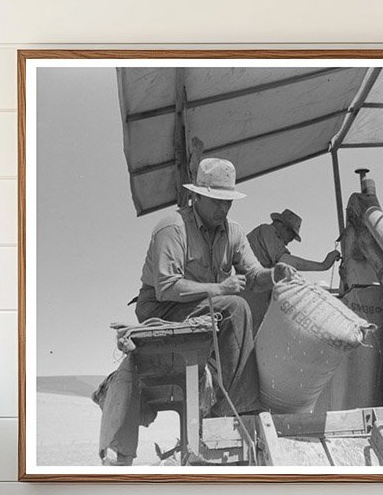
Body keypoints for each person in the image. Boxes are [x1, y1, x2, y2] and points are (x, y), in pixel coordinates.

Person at [135, 157, 289, 416]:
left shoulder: (234, 233)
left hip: (202, 307)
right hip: (161, 311)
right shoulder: (173, 228)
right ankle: (241, 406)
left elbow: (254, 276)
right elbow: (167, 288)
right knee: (235, 306)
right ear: (197, 198)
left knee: (238, 306)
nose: (224, 208)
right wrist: (220, 289)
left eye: (227, 202)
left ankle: (229, 400)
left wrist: (275, 274)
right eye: (217, 201)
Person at [247, 209, 340, 273]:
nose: (288, 242)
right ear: (283, 227)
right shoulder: (267, 230)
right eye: (291, 237)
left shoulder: (262, 235)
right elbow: (285, 260)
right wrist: (323, 265)